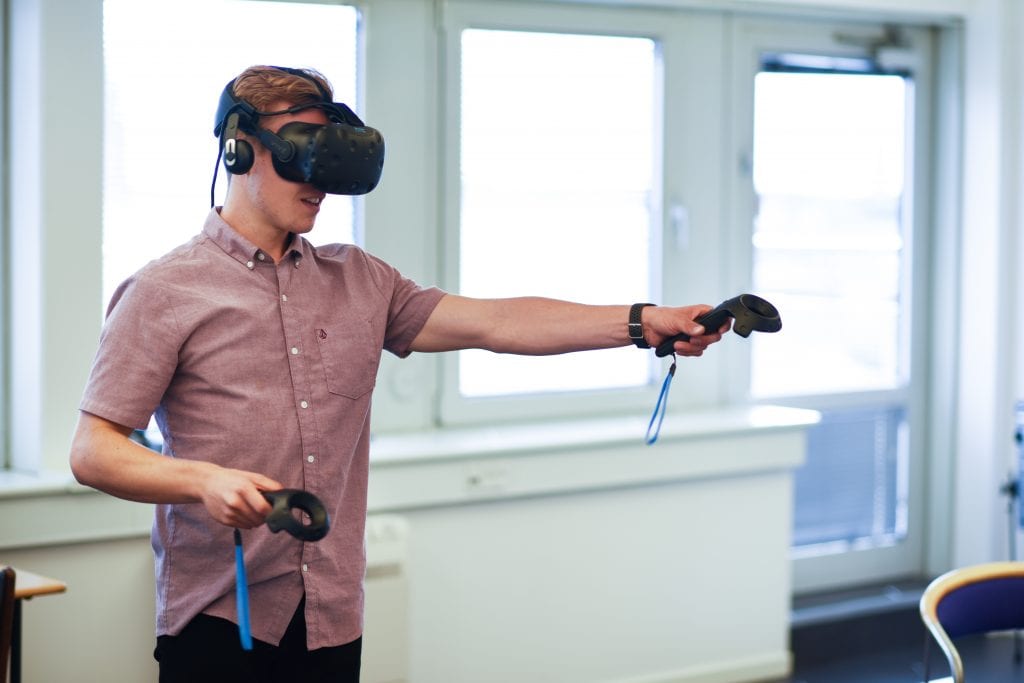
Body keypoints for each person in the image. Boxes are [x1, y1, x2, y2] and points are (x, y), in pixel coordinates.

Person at [68, 65, 726, 683]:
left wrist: (644, 319)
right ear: (240, 147)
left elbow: (496, 323)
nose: (319, 179)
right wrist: (201, 479)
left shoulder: (360, 280)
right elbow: (93, 450)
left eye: (330, 155)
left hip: (330, 614)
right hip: (219, 620)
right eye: (301, 150)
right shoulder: (163, 291)